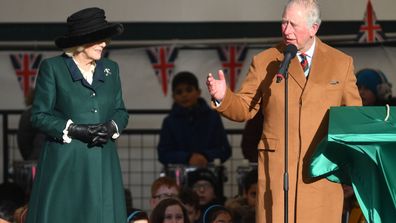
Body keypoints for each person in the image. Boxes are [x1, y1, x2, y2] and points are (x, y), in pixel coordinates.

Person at [205, 0, 362, 222]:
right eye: (283, 22)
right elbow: (245, 108)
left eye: (293, 25)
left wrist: (348, 167)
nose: (286, 30)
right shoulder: (265, 61)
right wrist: (223, 97)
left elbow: (353, 119)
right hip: (277, 176)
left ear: (313, 28)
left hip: (321, 174)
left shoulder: (341, 63)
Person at [25, 7, 129, 223]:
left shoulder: (111, 69)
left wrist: (112, 127)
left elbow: (121, 111)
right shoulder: (53, 68)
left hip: (103, 160)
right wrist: (72, 129)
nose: (104, 44)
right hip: (66, 162)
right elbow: (38, 115)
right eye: (100, 39)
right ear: (82, 41)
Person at [157, 71, 231, 168]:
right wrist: (187, 158)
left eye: (189, 90)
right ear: (173, 97)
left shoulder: (213, 117)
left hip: (209, 173)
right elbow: (163, 154)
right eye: (179, 92)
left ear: (198, 92)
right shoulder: (169, 122)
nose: (184, 95)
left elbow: (225, 150)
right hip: (179, 176)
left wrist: (205, 156)